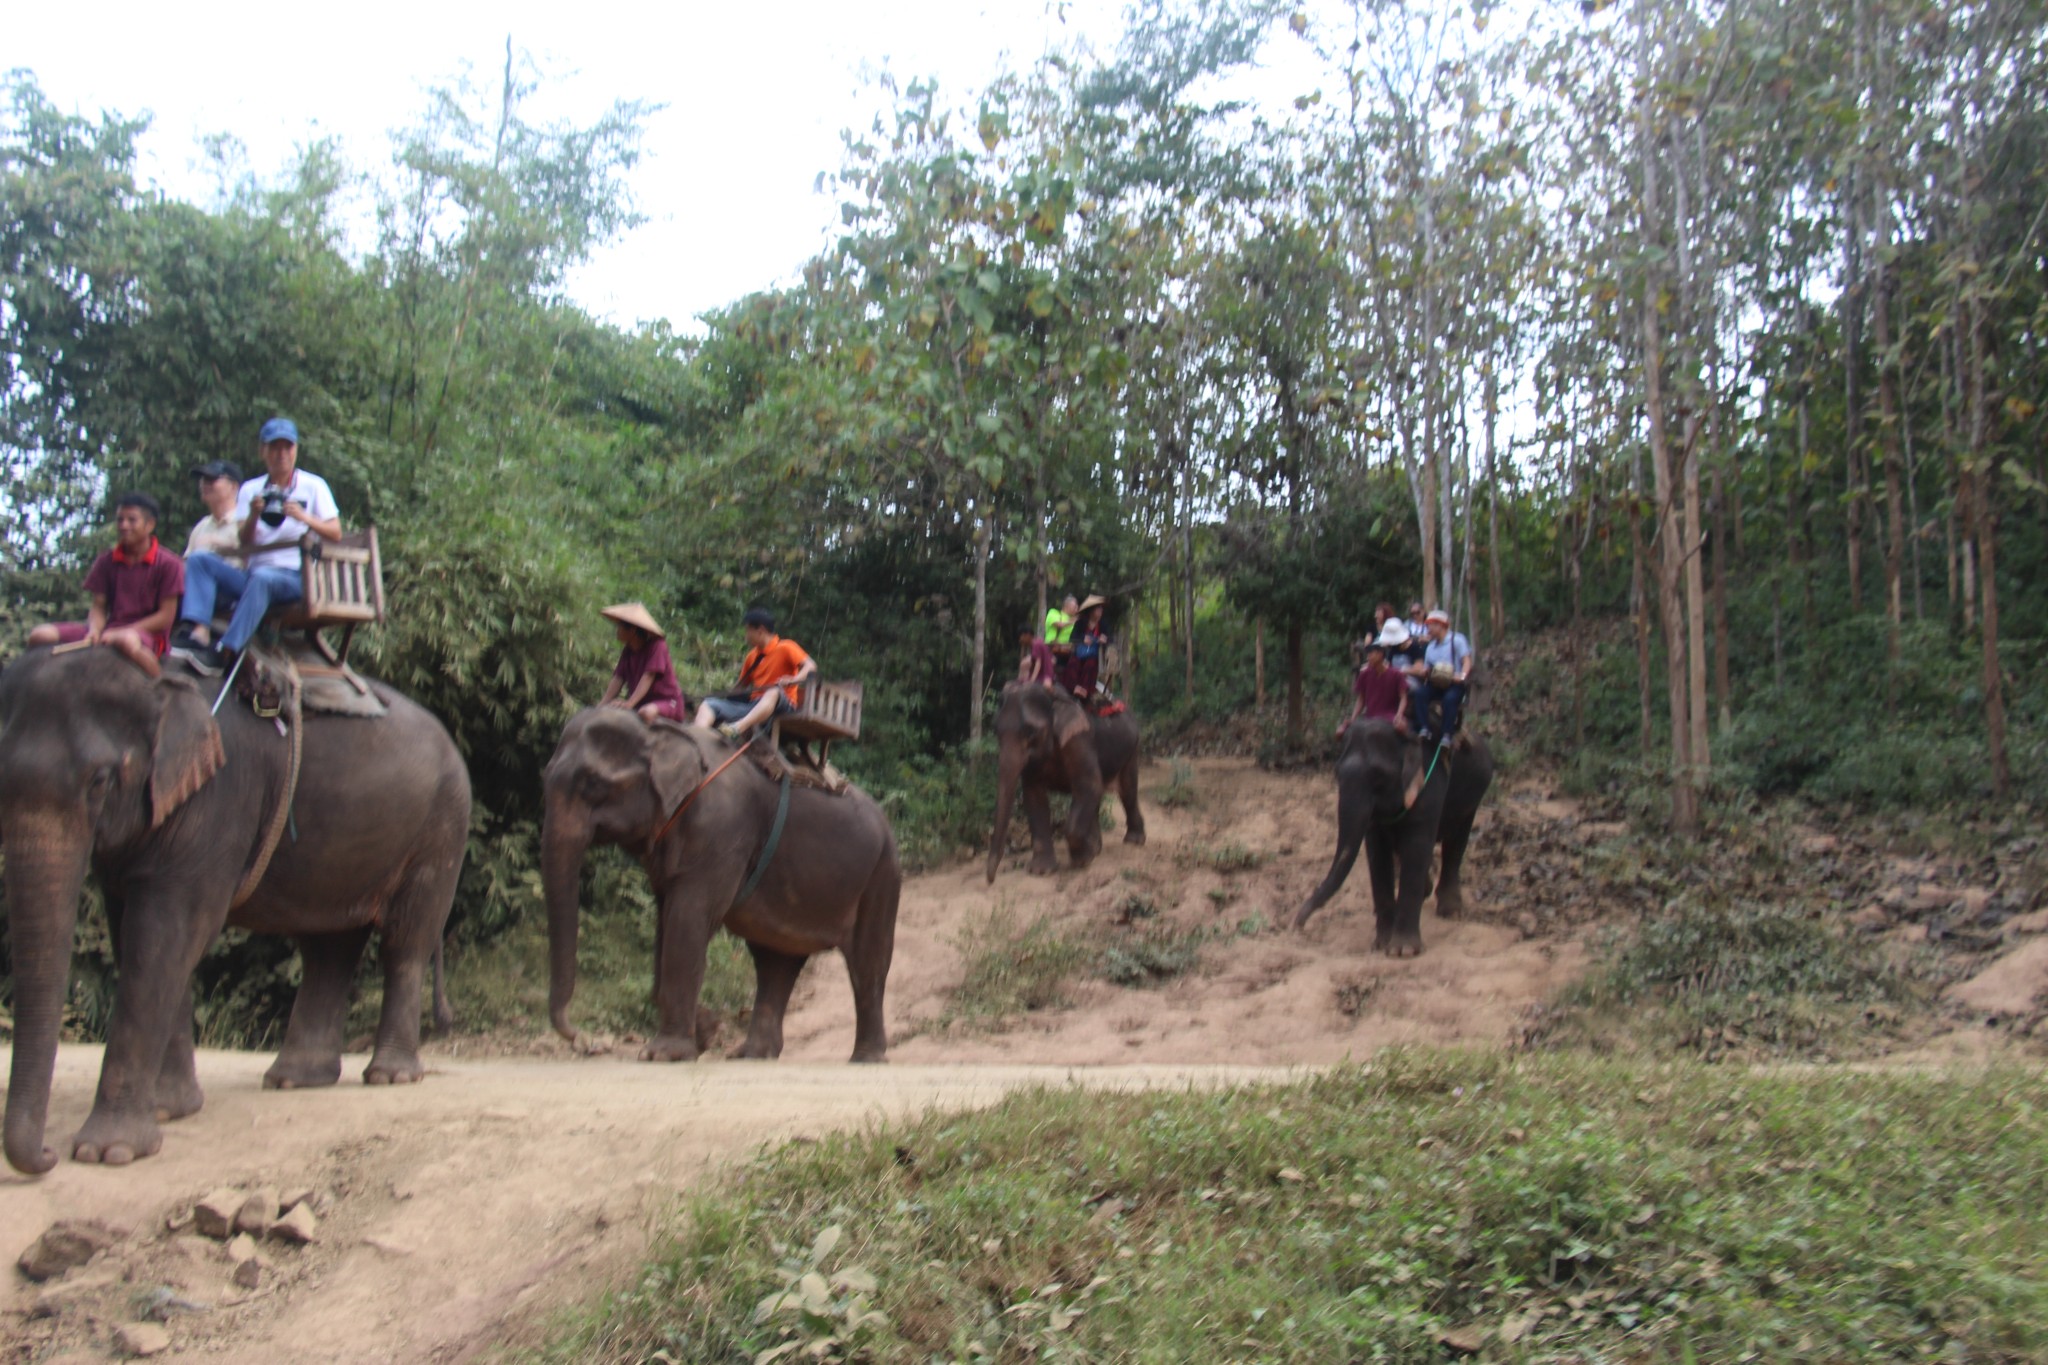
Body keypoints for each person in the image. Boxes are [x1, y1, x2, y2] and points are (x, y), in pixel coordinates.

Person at [171, 417, 343, 676]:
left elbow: (336, 532)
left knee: (263, 578)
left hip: (296, 577)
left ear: (296, 450)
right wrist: (253, 514)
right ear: (263, 451)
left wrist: (303, 517)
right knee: (199, 560)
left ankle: (224, 653)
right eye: (275, 448)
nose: (282, 454)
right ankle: (199, 633)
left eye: (288, 447)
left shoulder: (313, 486)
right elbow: (245, 541)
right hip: (252, 576)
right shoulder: (251, 489)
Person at [30, 493, 185, 679]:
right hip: (108, 630)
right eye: (120, 520)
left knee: (126, 641)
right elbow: (99, 606)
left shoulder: (169, 564)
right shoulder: (106, 561)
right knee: (40, 635)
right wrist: (94, 630)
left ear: (150, 525)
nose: (124, 526)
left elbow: (165, 617)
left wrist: (123, 631)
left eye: (131, 520)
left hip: (144, 635)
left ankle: (161, 687)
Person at [694, 607, 817, 740]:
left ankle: (737, 728)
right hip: (754, 707)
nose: (745, 635)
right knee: (709, 704)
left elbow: (811, 666)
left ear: (760, 631)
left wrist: (794, 679)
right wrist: (722, 694)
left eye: (748, 630)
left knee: (773, 691)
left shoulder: (786, 647)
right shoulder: (751, 657)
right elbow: (740, 687)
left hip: (782, 706)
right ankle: (698, 738)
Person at [599, 603, 688, 723]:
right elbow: (618, 678)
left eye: (620, 626)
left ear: (633, 630)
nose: (617, 630)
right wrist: (601, 705)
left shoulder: (658, 645)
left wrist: (629, 703)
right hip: (640, 703)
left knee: (646, 712)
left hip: (668, 702)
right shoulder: (628, 650)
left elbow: (648, 676)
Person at [1410, 608, 1474, 746]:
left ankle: (1447, 734)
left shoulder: (1457, 640)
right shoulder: (1431, 647)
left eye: (1430, 626)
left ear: (1440, 625)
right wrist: (1424, 672)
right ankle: (1424, 728)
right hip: (1436, 683)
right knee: (1420, 694)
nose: (1428, 629)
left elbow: (1466, 661)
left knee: (1449, 699)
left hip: (1454, 683)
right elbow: (1427, 667)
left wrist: (1462, 676)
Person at [1336, 625, 1412, 736]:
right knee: (1340, 733)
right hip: (1370, 716)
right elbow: (1361, 699)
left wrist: (1399, 715)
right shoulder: (1365, 674)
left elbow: (1403, 697)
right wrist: (1353, 718)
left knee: (1402, 730)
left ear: (1381, 654)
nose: (1368, 657)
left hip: (1389, 716)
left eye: (1371, 653)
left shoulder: (1396, 674)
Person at [184, 460, 244, 558]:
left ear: (233, 486)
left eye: (211, 479)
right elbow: (186, 566)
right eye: (202, 479)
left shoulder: (245, 521)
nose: (204, 484)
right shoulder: (201, 527)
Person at [1060, 595, 1108, 700]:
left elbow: (1109, 639)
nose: (1100, 611)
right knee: (1073, 663)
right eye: (1098, 609)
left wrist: (1104, 640)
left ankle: (1085, 690)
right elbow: (1072, 638)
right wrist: (1083, 639)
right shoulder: (1080, 623)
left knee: (1090, 664)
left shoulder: (1103, 624)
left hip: (1092, 655)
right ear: (1091, 611)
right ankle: (1074, 687)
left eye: (1101, 609)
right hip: (1079, 653)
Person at [1017, 623, 1058, 687]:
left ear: (1027, 635)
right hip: (1040, 674)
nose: (1020, 640)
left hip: (1045, 675)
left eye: (1021, 637)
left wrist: (1032, 680)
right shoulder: (1035, 643)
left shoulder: (1036, 644)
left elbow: (1038, 663)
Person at [1044, 593, 1078, 659]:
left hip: (1068, 652)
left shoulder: (1074, 620)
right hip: (1052, 649)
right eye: (1074, 605)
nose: (1077, 607)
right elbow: (1059, 625)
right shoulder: (1054, 613)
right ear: (1067, 605)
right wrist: (1071, 621)